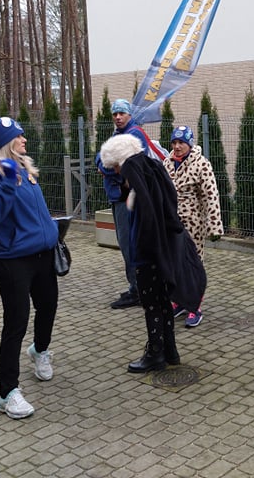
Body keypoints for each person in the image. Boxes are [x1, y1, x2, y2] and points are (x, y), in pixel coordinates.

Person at [99, 134, 206, 373]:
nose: (117, 173)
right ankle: (170, 350)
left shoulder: (134, 172)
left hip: (149, 253)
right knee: (162, 301)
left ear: (121, 161)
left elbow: (146, 212)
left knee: (151, 303)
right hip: (162, 248)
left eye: (116, 167)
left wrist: (143, 249)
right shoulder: (152, 168)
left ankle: (155, 354)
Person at [0, 116, 60, 420]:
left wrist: (52, 231)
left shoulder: (25, 167)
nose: (25, 140)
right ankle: (7, 393)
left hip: (42, 254)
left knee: (48, 306)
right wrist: (8, 185)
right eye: (19, 136)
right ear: (6, 142)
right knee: (16, 322)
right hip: (12, 259)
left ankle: (40, 350)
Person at [95, 98, 169, 309]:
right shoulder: (118, 135)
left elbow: (127, 166)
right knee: (126, 243)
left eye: (122, 113)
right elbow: (99, 158)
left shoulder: (134, 134)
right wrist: (104, 163)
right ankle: (137, 286)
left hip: (127, 199)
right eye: (115, 114)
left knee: (130, 245)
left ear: (129, 115)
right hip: (118, 198)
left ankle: (138, 290)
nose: (118, 117)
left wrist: (107, 168)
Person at [164, 125, 223, 328]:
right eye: (174, 142)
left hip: (192, 223)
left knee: (193, 265)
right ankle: (179, 301)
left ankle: (195, 307)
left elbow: (211, 195)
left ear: (189, 143)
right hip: (170, 222)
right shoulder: (167, 163)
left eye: (181, 142)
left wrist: (214, 225)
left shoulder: (201, 164)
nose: (177, 146)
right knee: (174, 263)